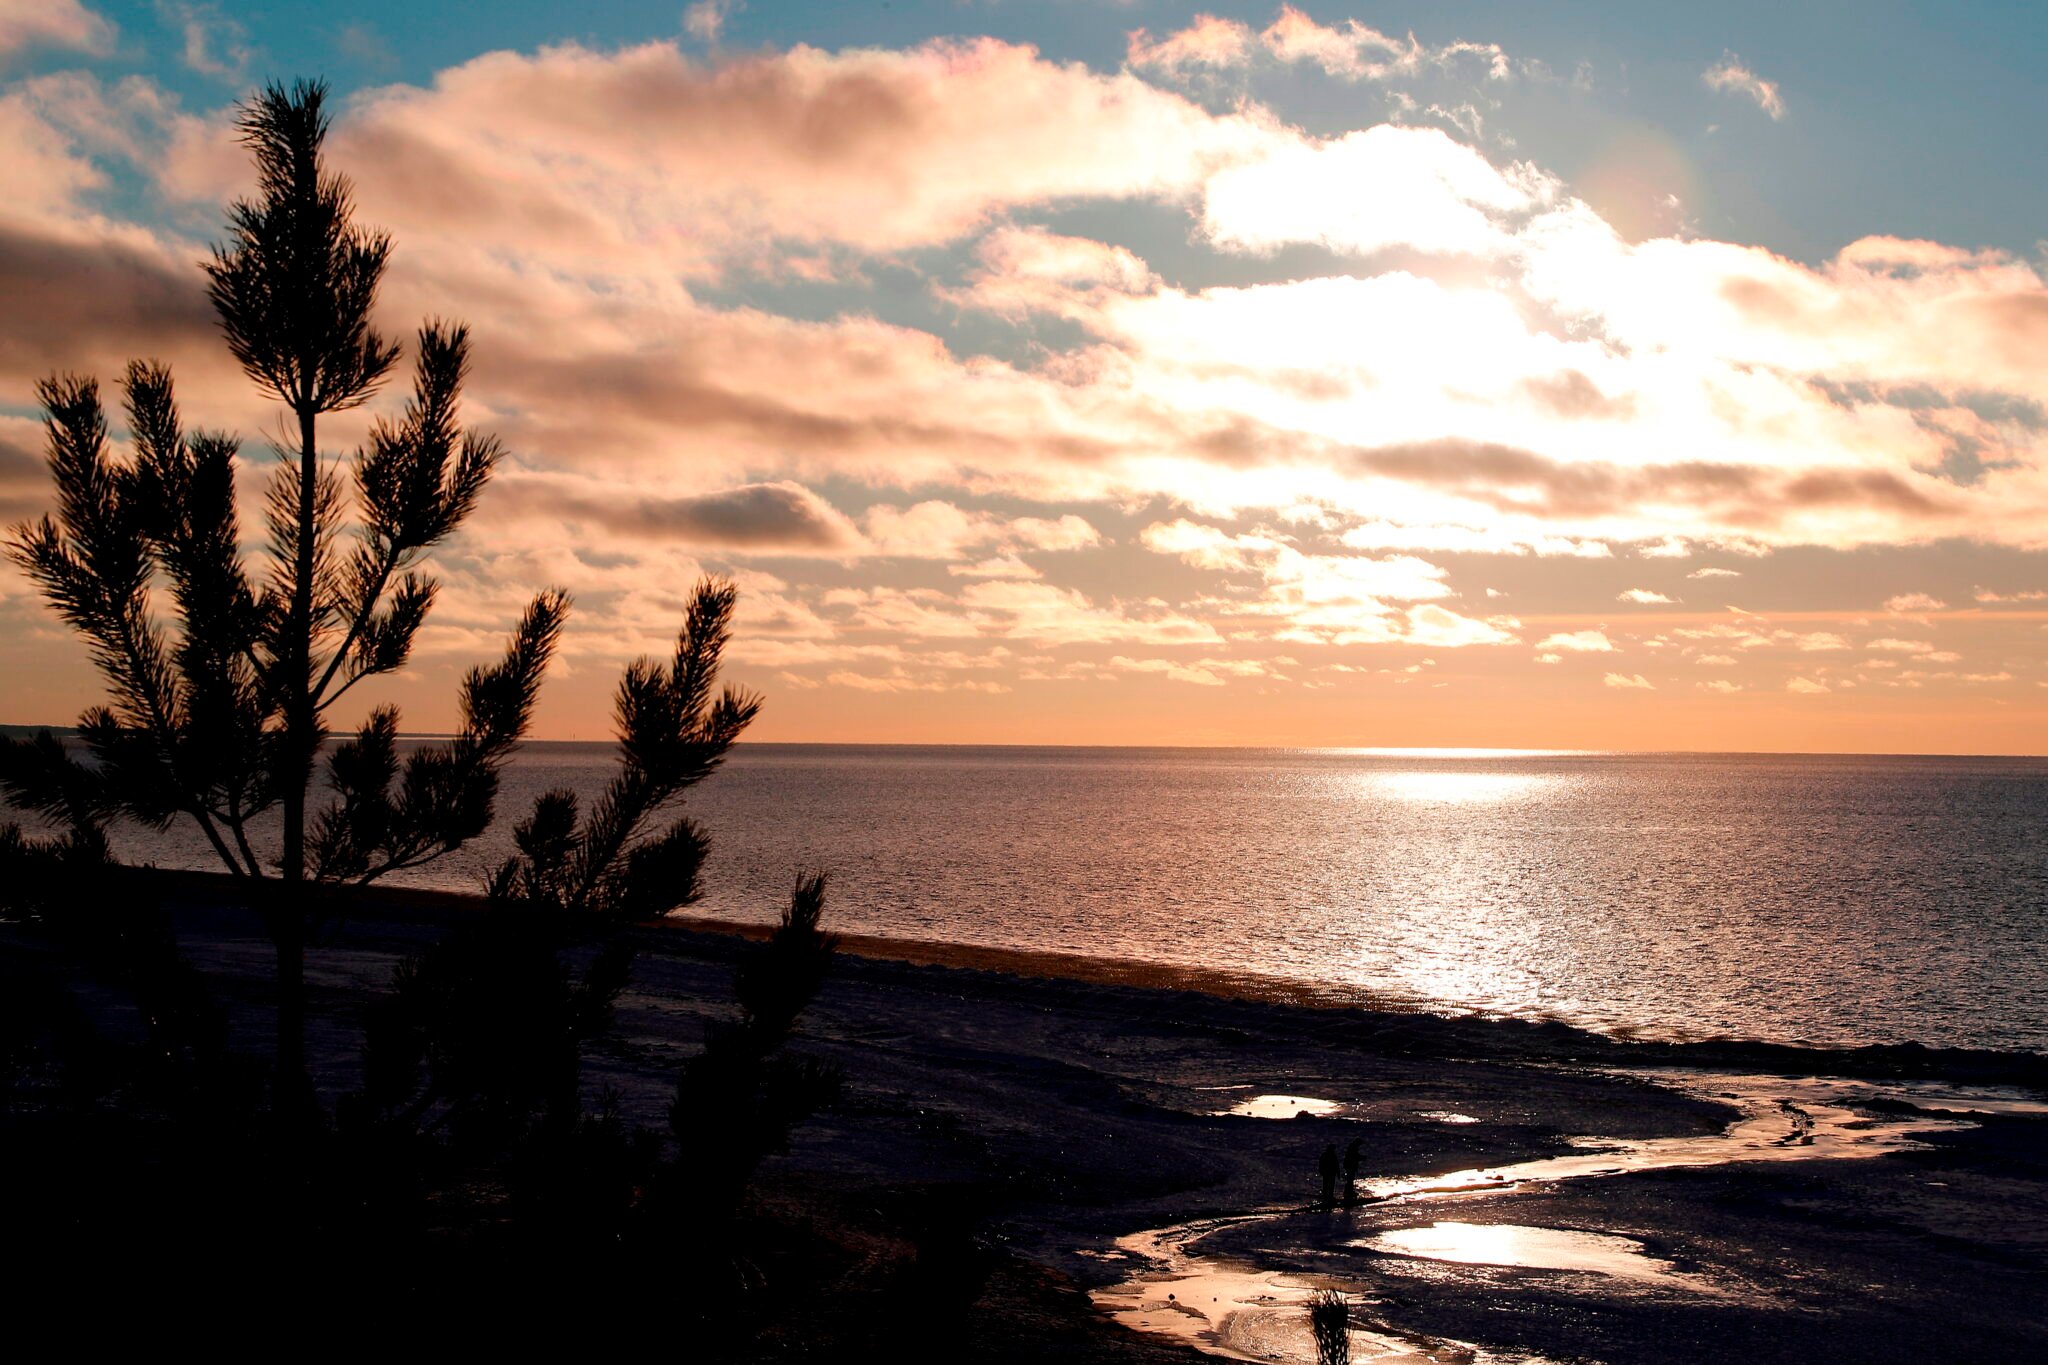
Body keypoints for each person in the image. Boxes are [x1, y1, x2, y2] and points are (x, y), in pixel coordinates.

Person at [1342, 1137, 1364, 1204]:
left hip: (1350, 1166)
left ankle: (1349, 1191)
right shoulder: (1352, 1148)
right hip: (1350, 1166)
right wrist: (1361, 1158)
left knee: (1350, 1179)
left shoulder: (1352, 1148)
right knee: (1350, 1179)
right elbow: (1354, 1156)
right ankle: (1348, 1192)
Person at [1318, 1143, 1340, 1207]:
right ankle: (1326, 1197)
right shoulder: (1327, 1155)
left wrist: (1338, 1172)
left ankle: (1329, 1196)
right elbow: (1321, 1164)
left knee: (1329, 1185)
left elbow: (1336, 1165)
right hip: (1328, 1173)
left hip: (1330, 1173)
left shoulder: (1330, 1155)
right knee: (1327, 1185)